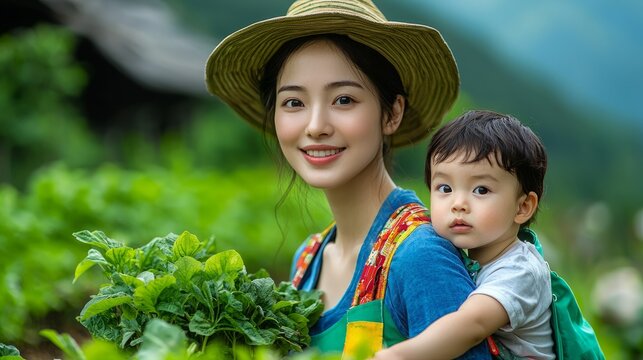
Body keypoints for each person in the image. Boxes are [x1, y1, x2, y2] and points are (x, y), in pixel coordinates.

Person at [205, 0, 489, 358]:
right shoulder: (308, 260)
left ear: (392, 113)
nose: (316, 126)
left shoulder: (418, 257)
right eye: (294, 102)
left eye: (343, 99)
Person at [374, 110, 555, 359]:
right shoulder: (468, 258)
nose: (458, 203)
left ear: (522, 207)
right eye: (445, 188)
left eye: (481, 189)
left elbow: (471, 326)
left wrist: (400, 355)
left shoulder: (520, 271)